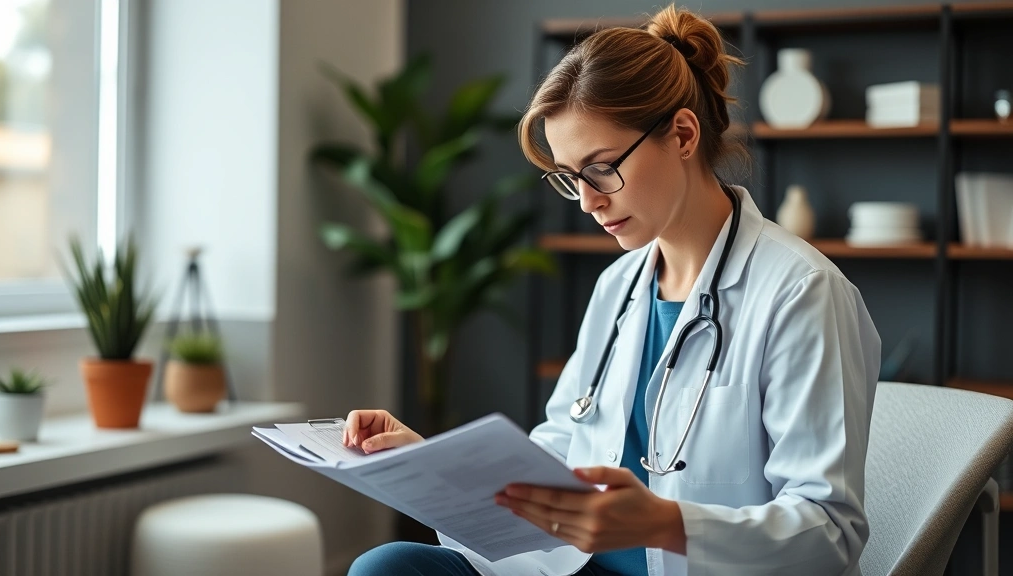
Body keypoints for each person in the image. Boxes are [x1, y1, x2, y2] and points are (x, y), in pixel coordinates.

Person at [346, 3, 881, 575]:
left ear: (682, 134)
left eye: (602, 168)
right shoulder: (620, 285)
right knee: (389, 566)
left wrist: (663, 524)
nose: (587, 201)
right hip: (576, 566)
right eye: (571, 177)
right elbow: (559, 452)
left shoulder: (801, 292)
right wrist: (434, 468)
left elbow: (830, 530)